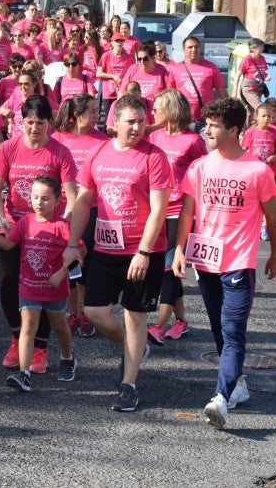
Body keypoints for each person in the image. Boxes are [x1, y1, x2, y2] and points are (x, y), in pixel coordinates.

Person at [172, 97, 276, 430]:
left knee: (233, 331)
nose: (206, 130)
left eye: (214, 125)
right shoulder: (200, 167)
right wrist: (179, 250)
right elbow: (188, 213)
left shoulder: (257, 170)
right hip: (205, 262)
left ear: (233, 130)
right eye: (206, 124)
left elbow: (273, 218)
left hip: (239, 263)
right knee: (221, 329)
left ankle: (220, 399)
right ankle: (238, 385)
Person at [63, 93, 172, 413]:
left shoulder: (154, 157)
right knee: (95, 312)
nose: (138, 127)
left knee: (135, 316)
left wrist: (143, 252)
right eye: (131, 121)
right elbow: (83, 200)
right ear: (114, 123)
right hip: (105, 247)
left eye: (142, 120)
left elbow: (159, 210)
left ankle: (128, 385)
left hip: (141, 250)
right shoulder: (99, 152)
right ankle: (132, 349)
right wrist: (72, 243)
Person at [0, 95, 78, 374]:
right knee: (7, 285)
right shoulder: (7, 148)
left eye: (40, 122)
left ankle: (40, 347)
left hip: (47, 232)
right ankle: (17, 338)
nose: (34, 128)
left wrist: (63, 228)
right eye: (29, 122)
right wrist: (4, 219)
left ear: (49, 123)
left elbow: (72, 196)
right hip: (15, 227)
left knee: (44, 289)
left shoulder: (60, 152)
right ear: (20, 122)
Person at [0, 175, 77, 392]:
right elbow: (9, 245)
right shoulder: (25, 222)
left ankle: (67, 358)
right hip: (28, 286)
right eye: (35, 197)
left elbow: (78, 251)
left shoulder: (62, 226)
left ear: (57, 202)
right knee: (27, 327)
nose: (38, 202)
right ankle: (24, 374)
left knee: (59, 327)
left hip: (54, 289)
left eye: (45, 198)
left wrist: (61, 271)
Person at [145, 89, 207, 346]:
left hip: (180, 213)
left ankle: (158, 325)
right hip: (155, 210)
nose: (153, 112)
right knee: (167, 267)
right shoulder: (155, 136)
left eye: (157, 108)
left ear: (170, 110)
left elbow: (204, 176)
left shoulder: (193, 141)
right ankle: (181, 321)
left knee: (169, 269)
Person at [51, 94, 108, 338]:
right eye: (92, 111)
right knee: (68, 265)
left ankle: (86, 312)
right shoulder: (58, 139)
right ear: (76, 115)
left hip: (90, 210)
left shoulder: (103, 140)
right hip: (60, 211)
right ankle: (72, 312)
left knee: (84, 264)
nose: (97, 115)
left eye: (98, 110)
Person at [241, 102, 276, 239]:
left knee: (271, 201)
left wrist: (275, 156)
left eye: (269, 116)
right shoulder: (250, 132)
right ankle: (254, 225)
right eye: (264, 116)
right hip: (254, 173)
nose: (267, 119)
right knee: (254, 201)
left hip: (271, 172)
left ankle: (264, 226)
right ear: (256, 117)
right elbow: (243, 150)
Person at [167, 36, 227, 128]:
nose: (194, 49)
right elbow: (170, 96)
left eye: (196, 47)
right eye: (190, 47)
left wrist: (229, 112)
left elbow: (222, 92)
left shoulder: (211, 67)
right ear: (184, 50)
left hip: (207, 119)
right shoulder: (175, 69)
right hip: (184, 119)